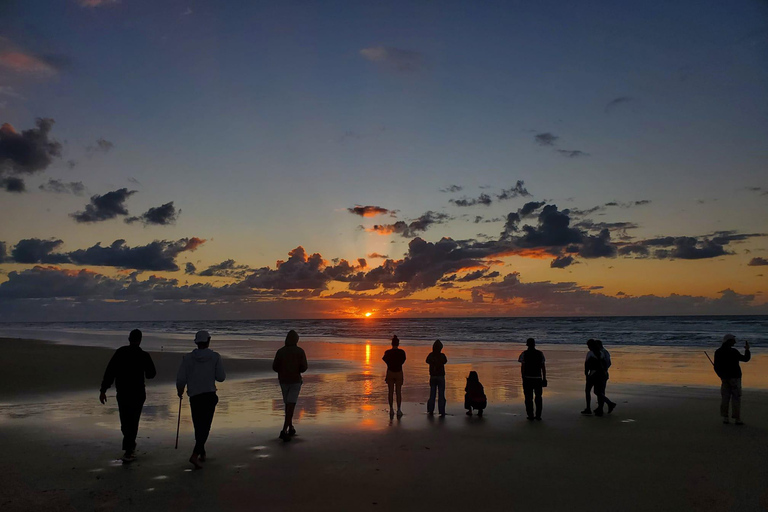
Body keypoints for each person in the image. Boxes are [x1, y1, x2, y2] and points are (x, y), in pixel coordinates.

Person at [99, 329, 156, 463]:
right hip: (138, 392)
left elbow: (110, 372)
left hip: (123, 392)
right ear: (140, 340)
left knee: (125, 421)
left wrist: (103, 390)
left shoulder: (121, 352)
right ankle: (130, 446)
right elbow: (151, 374)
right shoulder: (143, 355)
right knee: (133, 420)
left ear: (129, 339)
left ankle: (129, 448)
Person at [176, 330, 226, 469]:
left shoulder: (188, 358)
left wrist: (180, 391)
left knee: (199, 426)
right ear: (208, 341)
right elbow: (221, 377)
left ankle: (202, 451)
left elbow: (181, 378)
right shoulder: (215, 357)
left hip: (195, 396)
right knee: (205, 427)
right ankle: (195, 454)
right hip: (209, 395)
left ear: (196, 342)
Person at [272, 330, 308, 441]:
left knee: (288, 404)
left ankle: (290, 427)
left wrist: (283, 370)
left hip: (283, 380)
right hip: (295, 381)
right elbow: (304, 367)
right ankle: (284, 430)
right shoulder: (300, 351)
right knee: (291, 405)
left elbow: (275, 367)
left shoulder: (280, 351)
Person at [714, 334, 751, 425]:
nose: (735, 341)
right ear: (729, 341)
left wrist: (721, 375)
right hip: (735, 377)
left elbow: (716, 367)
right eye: (733, 340)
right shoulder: (733, 351)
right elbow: (746, 359)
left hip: (725, 378)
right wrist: (747, 350)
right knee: (736, 398)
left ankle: (725, 418)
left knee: (725, 398)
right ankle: (737, 419)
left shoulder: (718, 352)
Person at [581, 339, 616, 417]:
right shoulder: (601, 353)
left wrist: (586, 374)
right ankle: (602, 407)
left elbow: (586, 365)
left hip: (593, 374)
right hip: (601, 374)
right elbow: (606, 364)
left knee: (588, 391)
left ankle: (589, 408)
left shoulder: (590, 353)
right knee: (599, 392)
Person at [518, 338, 546, 420]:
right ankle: (538, 415)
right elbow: (543, 367)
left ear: (527, 344)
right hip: (537, 378)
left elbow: (522, 367)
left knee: (528, 398)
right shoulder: (540, 353)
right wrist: (544, 378)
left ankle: (530, 415)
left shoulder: (524, 354)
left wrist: (523, 377)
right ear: (534, 344)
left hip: (527, 378)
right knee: (538, 397)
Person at [383, 335, 406, 418]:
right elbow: (403, 360)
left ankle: (391, 409)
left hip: (390, 371)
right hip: (399, 371)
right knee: (398, 392)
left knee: (390, 392)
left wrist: (390, 364)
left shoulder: (388, 352)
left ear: (391, 343)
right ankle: (399, 409)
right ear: (398, 343)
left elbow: (384, 359)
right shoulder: (402, 352)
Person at [425, 339, 447, 417]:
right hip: (440, 376)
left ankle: (430, 410)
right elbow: (445, 361)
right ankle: (441, 410)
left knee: (432, 394)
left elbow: (427, 361)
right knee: (441, 394)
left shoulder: (431, 355)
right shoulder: (442, 355)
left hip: (433, 376)